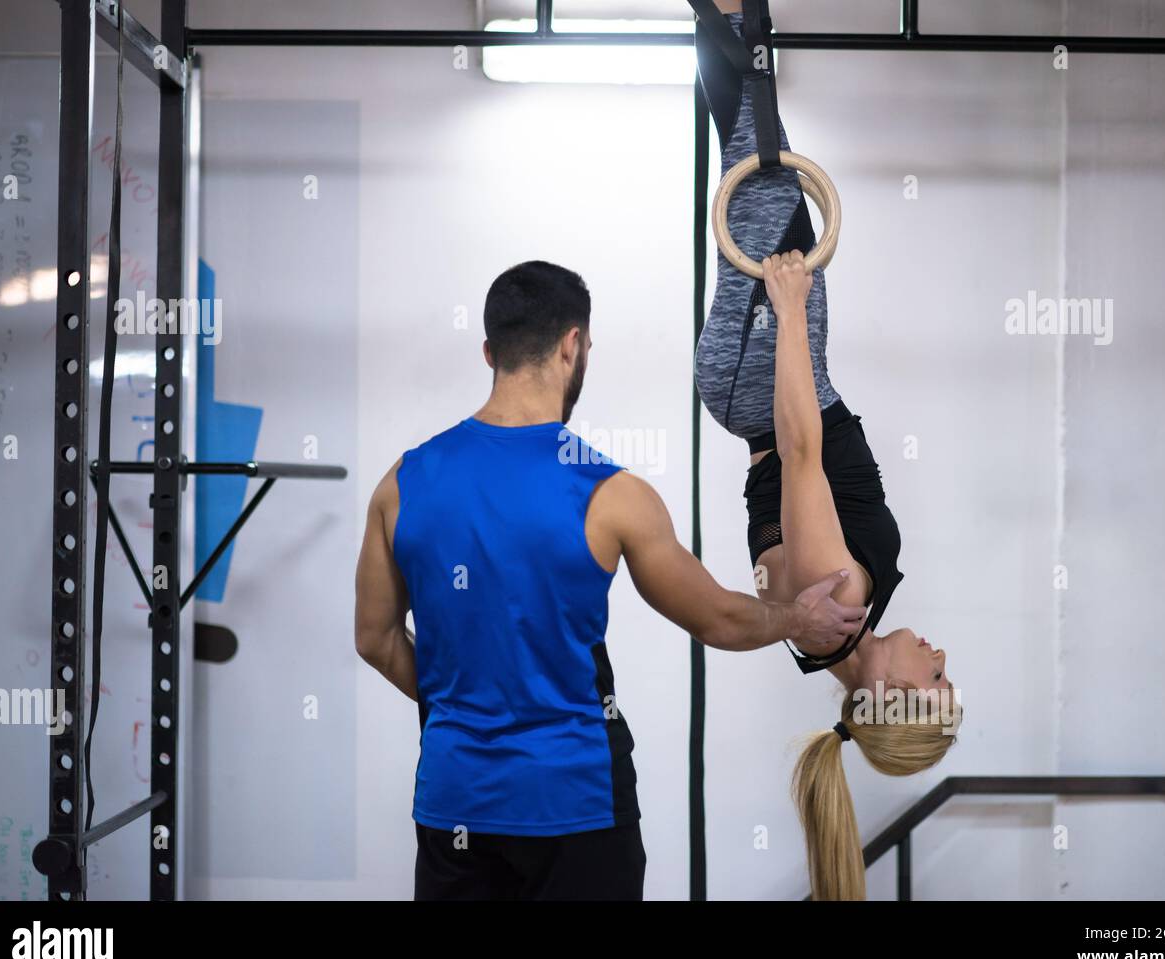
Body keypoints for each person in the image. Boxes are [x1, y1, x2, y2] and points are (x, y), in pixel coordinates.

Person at [354, 260, 866, 901]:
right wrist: (797, 619)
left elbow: (375, 639)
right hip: (578, 806)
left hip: (454, 805)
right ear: (573, 345)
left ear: (490, 351)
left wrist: (462, 704)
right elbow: (717, 618)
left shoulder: (401, 483)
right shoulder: (610, 494)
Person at [691, 0, 962, 899]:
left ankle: (731, 14)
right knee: (757, 165)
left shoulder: (838, 605)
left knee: (761, 170)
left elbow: (800, 454)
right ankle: (734, 17)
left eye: (938, 677)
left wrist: (795, 311)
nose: (942, 655)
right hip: (786, 380)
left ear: (895, 693)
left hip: (770, 387)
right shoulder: (840, 627)